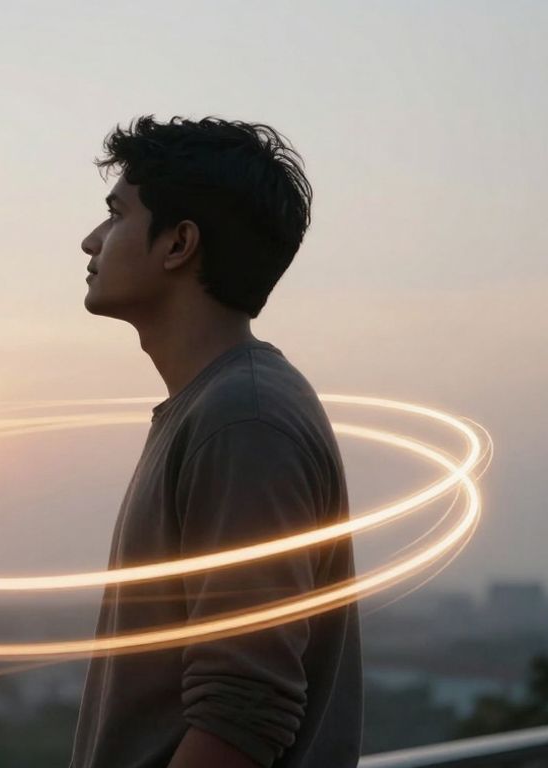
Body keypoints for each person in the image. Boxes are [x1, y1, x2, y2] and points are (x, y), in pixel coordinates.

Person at [70, 115, 362, 768]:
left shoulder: (243, 421)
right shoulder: (217, 408)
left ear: (179, 244)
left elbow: (242, 713)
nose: (90, 240)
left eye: (116, 215)